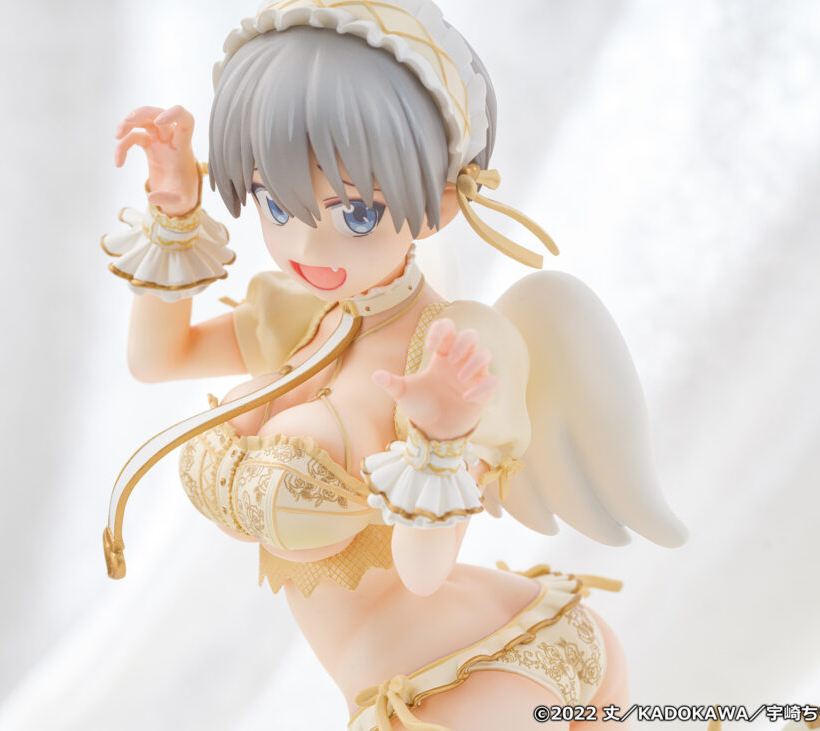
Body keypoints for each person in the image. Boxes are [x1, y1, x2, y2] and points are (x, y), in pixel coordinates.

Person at [100, 2, 687, 728]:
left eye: (356, 214)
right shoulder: (302, 317)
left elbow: (423, 571)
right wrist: (175, 212)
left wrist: (440, 435)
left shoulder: (449, 347)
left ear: (441, 201)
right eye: (276, 203)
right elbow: (158, 359)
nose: (308, 249)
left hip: (473, 674)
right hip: (403, 674)